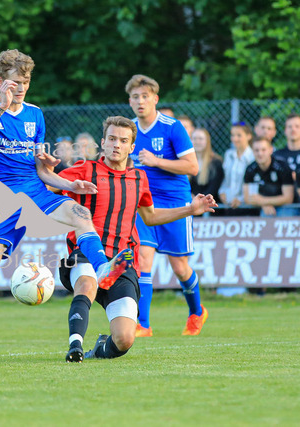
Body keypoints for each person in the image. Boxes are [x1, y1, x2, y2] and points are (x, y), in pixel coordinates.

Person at [0, 49, 133, 362]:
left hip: (35, 191)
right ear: (0, 82)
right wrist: (2, 106)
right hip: (1, 201)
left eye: (25, 82)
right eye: (15, 82)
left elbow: (41, 170)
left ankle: (102, 266)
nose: (21, 88)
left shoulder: (35, 115)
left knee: (80, 213)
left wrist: (69, 184)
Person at [56, 116, 217, 361]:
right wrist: (42, 169)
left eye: (123, 141)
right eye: (112, 139)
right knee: (87, 284)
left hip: (121, 261)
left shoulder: (139, 178)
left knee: (124, 339)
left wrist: (190, 209)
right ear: (103, 142)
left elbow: (150, 217)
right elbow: (46, 186)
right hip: (87, 251)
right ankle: (74, 346)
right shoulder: (85, 169)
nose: (116, 145)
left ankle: (97, 351)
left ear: (132, 147)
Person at [125, 74, 207, 338]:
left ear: (155, 99)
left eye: (145, 96)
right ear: (130, 101)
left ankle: (196, 312)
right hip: (144, 203)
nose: (140, 101)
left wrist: (156, 161)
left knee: (180, 267)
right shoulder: (128, 129)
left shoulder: (172, 127)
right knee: (142, 259)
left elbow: (192, 167)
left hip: (175, 203)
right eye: (135, 97)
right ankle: (143, 324)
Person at [243, 137, 295, 217]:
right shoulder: (250, 169)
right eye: (256, 150)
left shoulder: (282, 167)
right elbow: (248, 198)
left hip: (285, 207)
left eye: (263, 150)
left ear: (271, 150)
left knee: (283, 215)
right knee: (265, 214)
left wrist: (263, 201)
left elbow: (288, 198)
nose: (260, 154)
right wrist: (264, 205)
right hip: (262, 207)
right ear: (252, 151)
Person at [218, 123, 257, 216]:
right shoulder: (229, 155)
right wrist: (222, 191)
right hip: (229, 205)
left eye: (239, 135)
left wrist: (241, 199)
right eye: (233, 135)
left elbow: (254, 184)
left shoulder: (254, 157)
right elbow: (226, 179)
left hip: (247, 207)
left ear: (249, 136)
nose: (235, 139)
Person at [190, 128, 224, 204]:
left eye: (200, 139)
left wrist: (198, 200)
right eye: (194, 139)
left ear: (207, 141)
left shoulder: (216, 163)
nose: (197, 142)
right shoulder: (187, 162)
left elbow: (213, 189)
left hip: (209, 206)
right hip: (191, 204)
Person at [273, 114, 300, 178]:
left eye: (297, 126)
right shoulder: (277, 156)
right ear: (285, 131)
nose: (293, 129)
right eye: (290, 127)